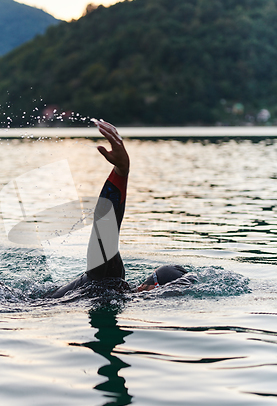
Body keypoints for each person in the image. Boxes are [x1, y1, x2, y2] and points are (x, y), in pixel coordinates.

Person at [46, 120, 188, 298]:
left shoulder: (115, 292)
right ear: (147, 287)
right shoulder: (110, 280)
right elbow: (104, 231)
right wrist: (121, 171)